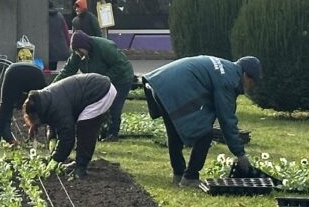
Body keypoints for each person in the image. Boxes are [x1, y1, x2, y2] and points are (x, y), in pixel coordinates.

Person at [142, 55, 261, 186]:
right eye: (252, 81)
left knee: (174, 133)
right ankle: (190, 177)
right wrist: (240, 154)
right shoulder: (228, 80)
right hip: (174, 89)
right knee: (204, 133)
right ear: (245, 75)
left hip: (160, 84)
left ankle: (179, 174)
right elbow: (226, 119)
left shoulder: (227, 68)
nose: (251, 86)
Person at [23, 73, 115, 178]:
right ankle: (78, 163)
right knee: (82, 128)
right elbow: (52, 122)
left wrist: (56, 159)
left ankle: (80, 169)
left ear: (38, 114)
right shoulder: (44, 100)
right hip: (92, 87)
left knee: (85, 131)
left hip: (100, 91)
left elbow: (67, 137)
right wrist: (52, 137)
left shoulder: (57, 107)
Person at [54, 30, 134, 141]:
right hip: (100, 81)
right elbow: (67, 70)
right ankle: (102, 131)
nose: (78, 54)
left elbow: (120, 64)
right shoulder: (78, 53)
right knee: (97, 104)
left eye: (79, 50)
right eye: (76, 51)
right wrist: (53, 87)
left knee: (114, 104)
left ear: (85, 46)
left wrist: (104, 80)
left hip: (122, 78)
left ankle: (113, 133)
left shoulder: (104, 47)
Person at [0, 62, 48, 145]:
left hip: (13, 70)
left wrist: (33, 125)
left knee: (5, 106)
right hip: (33, 72)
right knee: (7, 105)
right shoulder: (43, 95)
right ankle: (1, 138)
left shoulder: (37, 95)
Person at [47, 1, 71, 71]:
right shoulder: (59, 15)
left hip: (48, 49)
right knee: (54, 70)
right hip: (60, 48)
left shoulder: (42, 16)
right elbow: (65, 31)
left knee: (47, 71)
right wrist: (68, 44)